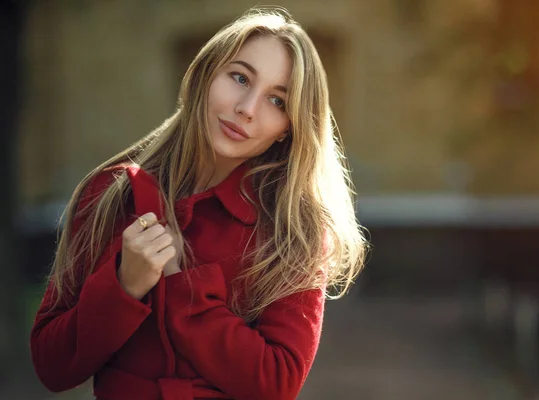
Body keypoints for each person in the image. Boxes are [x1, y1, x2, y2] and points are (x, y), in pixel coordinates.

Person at [30, 7, 367, 400]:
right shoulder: (109, 194)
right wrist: (123, 286)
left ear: (288, 129)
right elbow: (51, 366)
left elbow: (277, 384)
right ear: (206, 74)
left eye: (276, 101)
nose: (247, 108)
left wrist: (181, 286)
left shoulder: (294, 229)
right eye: (239, 78)